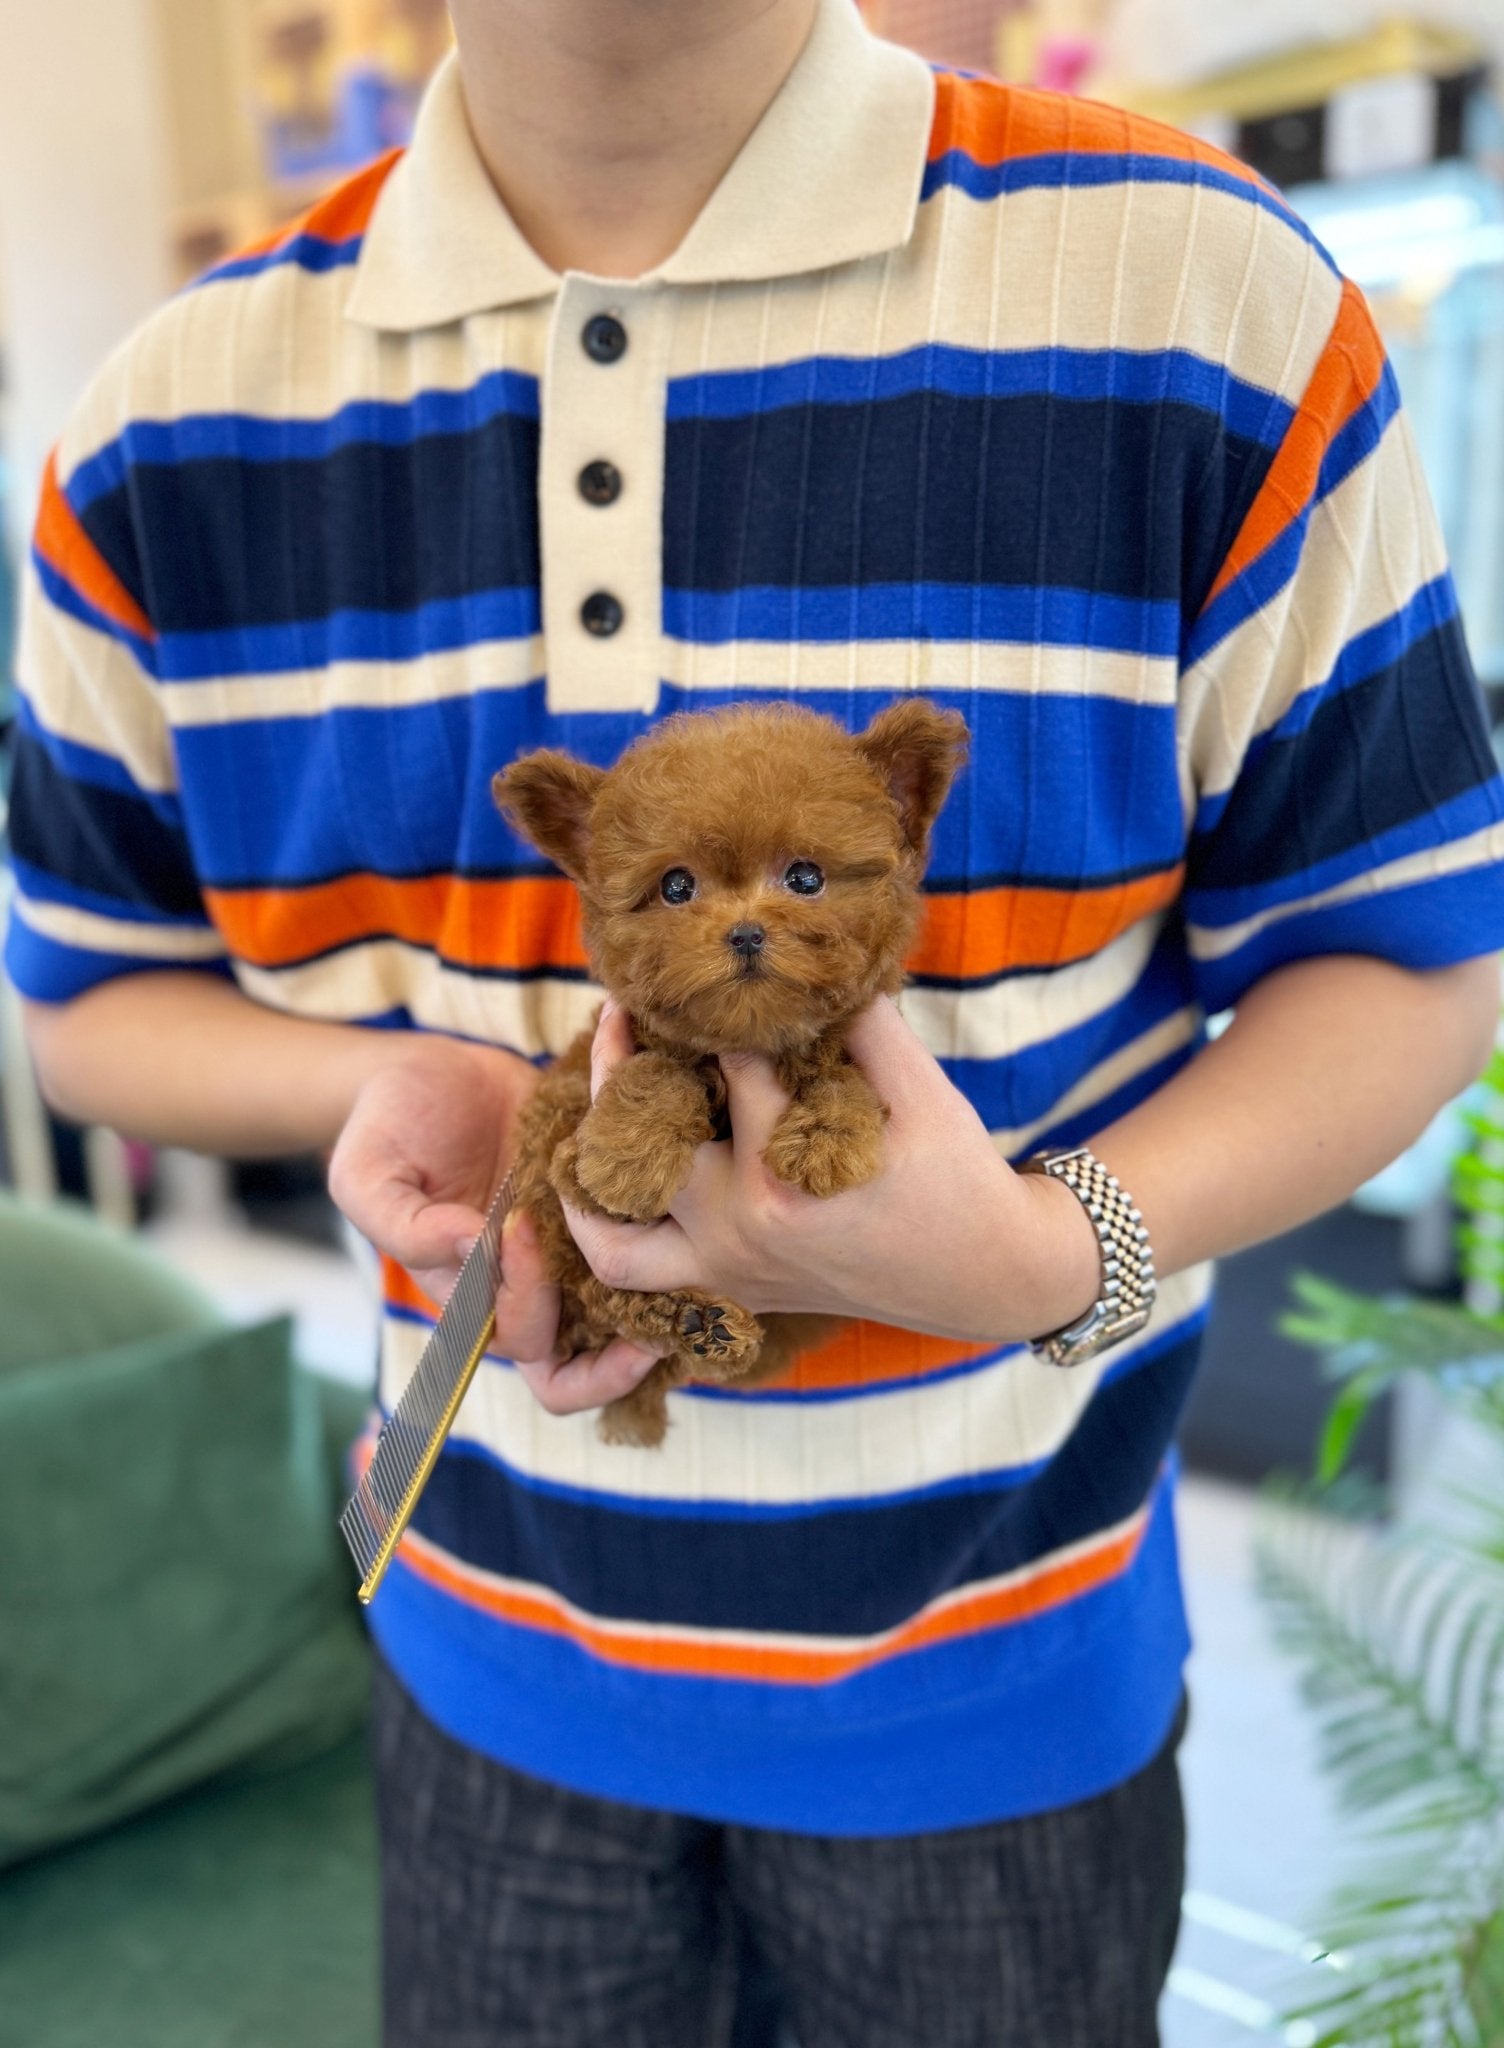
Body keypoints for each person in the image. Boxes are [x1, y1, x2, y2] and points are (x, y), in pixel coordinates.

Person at [10, 1, 1504, 2041]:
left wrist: (1054, 1247)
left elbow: (1408, 954)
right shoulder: (158, 432)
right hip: (474, 1644)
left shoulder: (1203, 296)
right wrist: (396, 1079)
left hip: (1003, 1674)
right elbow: (90, 1001)